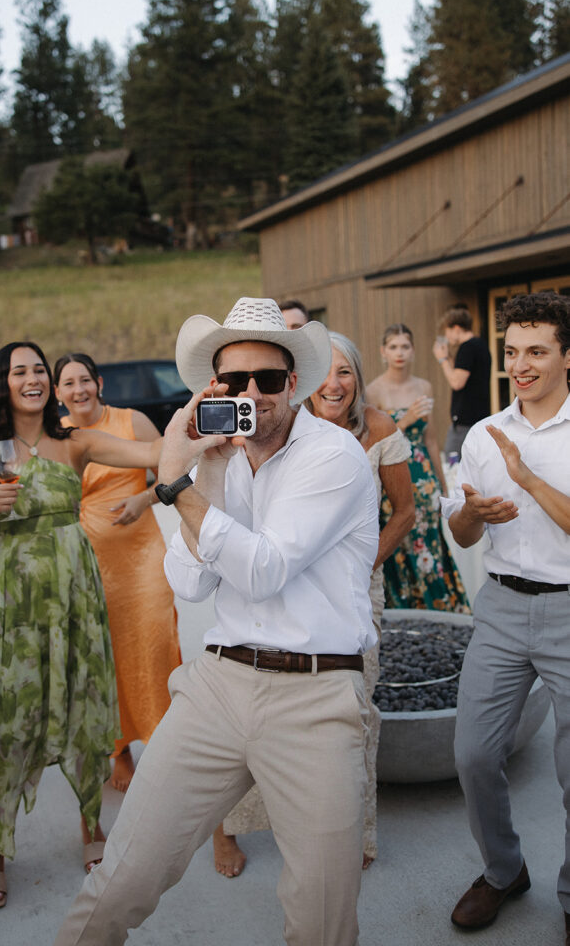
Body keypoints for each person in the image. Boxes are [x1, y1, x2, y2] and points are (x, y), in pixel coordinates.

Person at [54, 297, 379, 946]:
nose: (250, 395)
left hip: (315, 698)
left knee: (321, 919)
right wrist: (206, 469)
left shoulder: (334, 456)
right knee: (120, 879)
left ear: (294, 384)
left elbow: (262, 570)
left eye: (266, 380)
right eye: (234, 382)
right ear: (213, 388)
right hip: (219, 685)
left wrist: (175, 486)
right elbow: (191, 579)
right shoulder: (220, 462)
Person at [0, 342, 161, 911]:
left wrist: (204, 407)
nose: (34, 379)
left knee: (84, 704)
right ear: (3, 383)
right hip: (13, 602)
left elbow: (156, 450)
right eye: (20, 371)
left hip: (74, 595)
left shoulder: (74, 443)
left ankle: (91, 822)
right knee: (6, 720)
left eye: (39, 370)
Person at [214, 331, 414, 875]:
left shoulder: (376, 430)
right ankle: (230, 828)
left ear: (357, 377)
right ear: (303, 381)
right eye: (325, 371)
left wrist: (364, 563)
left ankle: (354, 830)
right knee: (249, 712)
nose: (335, 382)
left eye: (345, 370)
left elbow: (405, 511)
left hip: (347, 588)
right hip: (267, 581)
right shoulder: (271, 430)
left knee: (355, 712)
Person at [442, 292, 570, 944]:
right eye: (512, 352)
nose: (520, 366)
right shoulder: (484, 434)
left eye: (536, 352)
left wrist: (526, 478)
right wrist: (472, 514)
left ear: (565, 357)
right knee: (472, 753)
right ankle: (502, 870)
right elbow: (460, 533)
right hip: (499, 604)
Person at [54, 352, 182, 793]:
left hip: (144, 558)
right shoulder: (57, 438)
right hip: (89, 565)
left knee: (157, 648)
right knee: (104, 659)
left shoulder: (133, 422)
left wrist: (143, 500)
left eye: (85, 380)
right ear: (57, 393)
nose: (78, 390)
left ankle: (169, 745)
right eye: (68, 384)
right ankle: (119, 751)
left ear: (100, 383)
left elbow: (174, 474)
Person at [367, 323, 469, 612]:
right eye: (394, 346)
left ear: (413, 351)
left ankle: (438, 607)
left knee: (429, 542)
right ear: (383, 352)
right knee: (399, 545)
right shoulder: (373, 390)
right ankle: (403, 609)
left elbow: (432, 438)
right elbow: (373, 440)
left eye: (405, 346)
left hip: (423, 478)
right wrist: (406, 419)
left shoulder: (424, 386)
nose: (400, 352)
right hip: (390, 477)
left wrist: (443, 484)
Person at [432, 304, 491, 460]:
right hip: (479, 415)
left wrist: (442, 359)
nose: (447, 336)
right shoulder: (479, 344)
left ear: (456, 328)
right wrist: (449, 358)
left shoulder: (467, 348)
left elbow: (457, 382)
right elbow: (461, 373)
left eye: (447, 331)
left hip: (465, 420)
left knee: (453, 463)